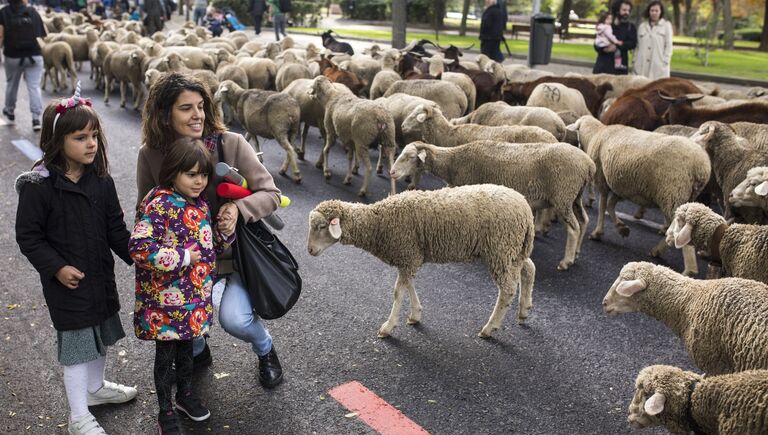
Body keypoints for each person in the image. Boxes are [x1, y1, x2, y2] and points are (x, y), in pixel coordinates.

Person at [137, 72, 285, 390]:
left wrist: (238, 209)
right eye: (186, 108)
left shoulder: (230, 144)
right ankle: (198, 349)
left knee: (235, 319)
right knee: (180, 326)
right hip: (184, 264)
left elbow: (271, 194)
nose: (197, 115)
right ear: (164, 114)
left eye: (200, 106)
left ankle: (265, 349)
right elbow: (144, 211)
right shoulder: (150, 154)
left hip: (232, 257)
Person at [15, 85, 138, 435]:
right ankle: (78, 414)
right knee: (77, 346)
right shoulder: (38, 186)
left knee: (99, 331)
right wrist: (56, 267)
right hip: (67, 284)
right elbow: (28, 236)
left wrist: (139, 257)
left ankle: (95, 389)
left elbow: (116, 228)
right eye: (80, 137)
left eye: (94, 135)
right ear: (57, 141)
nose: (91, 144)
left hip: (99, 275)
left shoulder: (101, 180)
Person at [130, 137, 236, 433]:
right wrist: (180, 257)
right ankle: (165, 410)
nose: (199, 181)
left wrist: (224, 234)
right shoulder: (158, 203)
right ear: (173, 172)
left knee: (187, 352)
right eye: (191, 174)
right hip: (164, 303)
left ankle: (185, 396)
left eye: (203, 175)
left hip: (193, 301)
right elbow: (139, 248)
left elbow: (207, 245)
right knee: (165, 358)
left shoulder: (200, 204)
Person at [0, 0, 47, 131]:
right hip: (34, 56)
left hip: (13, 56)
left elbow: (0, 35)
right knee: (34, 86)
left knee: (11, 83)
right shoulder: (33, 11)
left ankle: (9, 111)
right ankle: (36, 117)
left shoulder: (3, 12)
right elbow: (42, 35)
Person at [592, 0, 637, 75]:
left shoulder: (630, 27)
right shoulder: (606, 25)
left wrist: (618, 45)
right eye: (624, 10)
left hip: (620, 68)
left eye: (629, 10)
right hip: (603, 65)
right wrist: (604, 49)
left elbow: (632, 43)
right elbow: (597, 42)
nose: (627, 13)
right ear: (617, 10)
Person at [633, 0, 673, 80]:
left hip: (658, 66)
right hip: (642, 66)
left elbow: (669, 46)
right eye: (652, 10)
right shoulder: (642, 26)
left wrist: (665, 61)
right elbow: (638, 45)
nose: (654, 13)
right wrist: (635, 60)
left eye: (656, 11)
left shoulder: (666, 26)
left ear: (660, 12)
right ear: (649, 11)